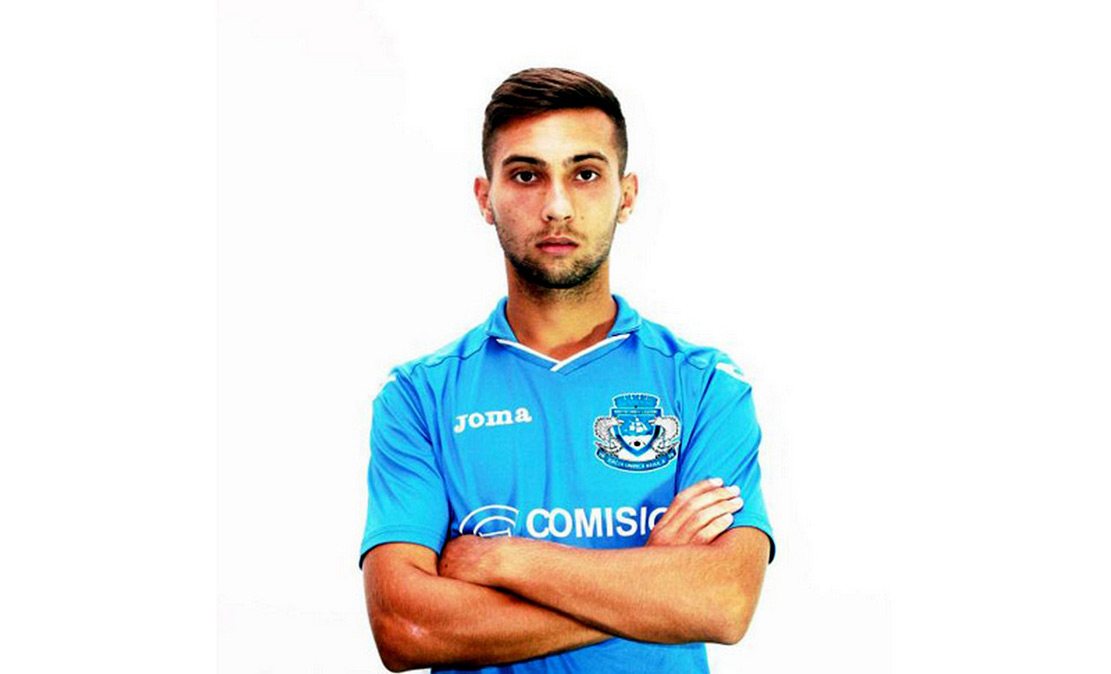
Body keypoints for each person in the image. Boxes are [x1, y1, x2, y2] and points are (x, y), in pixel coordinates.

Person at [359, 67, 775, 673]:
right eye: (526, 175)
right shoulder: (418, 397)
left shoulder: (706, 385)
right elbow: (406, 628)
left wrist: (505, 560)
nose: (556, 207)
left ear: (626, 195)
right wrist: (652, 582)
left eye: (585, 174)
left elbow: (724, 601)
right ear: (485, 198)